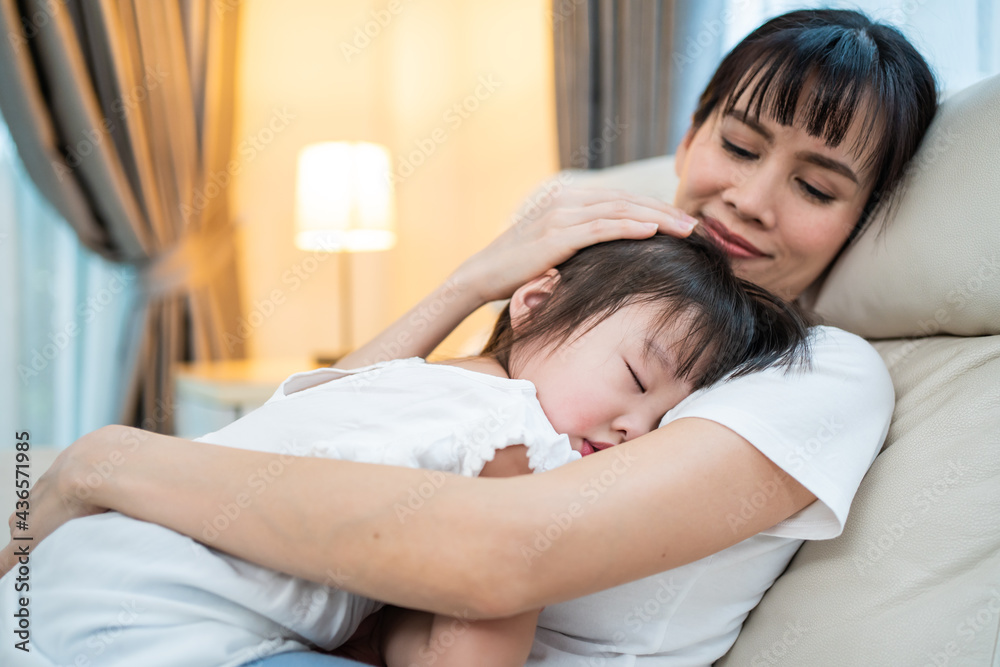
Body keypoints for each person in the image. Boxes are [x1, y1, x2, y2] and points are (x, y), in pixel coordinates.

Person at [0, 8, 938, 667]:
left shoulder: (822, 373)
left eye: (817, 187)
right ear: (691, 135)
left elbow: (504, 554)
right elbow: (330, 432)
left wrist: (106, 462)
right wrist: (472, 280)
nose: (750, 198)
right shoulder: (608, 287)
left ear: (863, 220)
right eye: (737, 146)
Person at [1, 235, 807, 667]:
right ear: (532, 304)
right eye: (635, 376)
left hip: (55, 593)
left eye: (665, 421)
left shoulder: (380, 381)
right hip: (177, 643)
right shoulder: (520, 440)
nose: (635, 431)